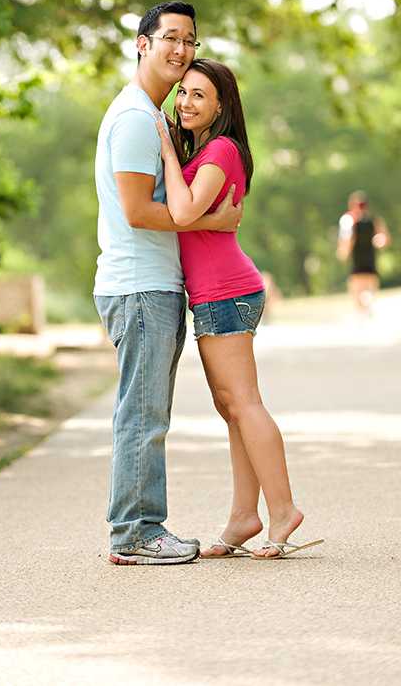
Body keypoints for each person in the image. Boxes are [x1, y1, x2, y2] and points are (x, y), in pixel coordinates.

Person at [155, 58, 323, 559]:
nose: (184, 102)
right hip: (217, 293)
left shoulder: (221, 148)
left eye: (198, 95)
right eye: (182, 92)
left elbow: (183, 212)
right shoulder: (207, 149)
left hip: (226, 292)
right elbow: (197, 216)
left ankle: (283, 510)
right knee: (232, 409)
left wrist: (165, 145)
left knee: (244, 403)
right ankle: (243, 517)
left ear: (221, 106)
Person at [94, 1, 243, 565]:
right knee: (144, 413)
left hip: (148, 285)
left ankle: (137, 528)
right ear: (142, 44)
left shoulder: (152, 114)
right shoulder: (136, 116)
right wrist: (212, 220)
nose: (181, 50)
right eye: (170, 38)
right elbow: (136, 210)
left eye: (189, 40)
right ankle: (135, 533)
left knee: (146, 410)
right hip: (139, 286)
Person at [336, 191, 391, 317]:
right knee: (370, 286)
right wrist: (380, 241)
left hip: (357, 258)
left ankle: (360, 313)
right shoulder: (374, 220)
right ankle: (368, 301)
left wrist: (343, 252)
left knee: (356, 289)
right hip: (370, 257)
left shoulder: (349, 220)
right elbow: (385, 238)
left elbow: (348, 240)